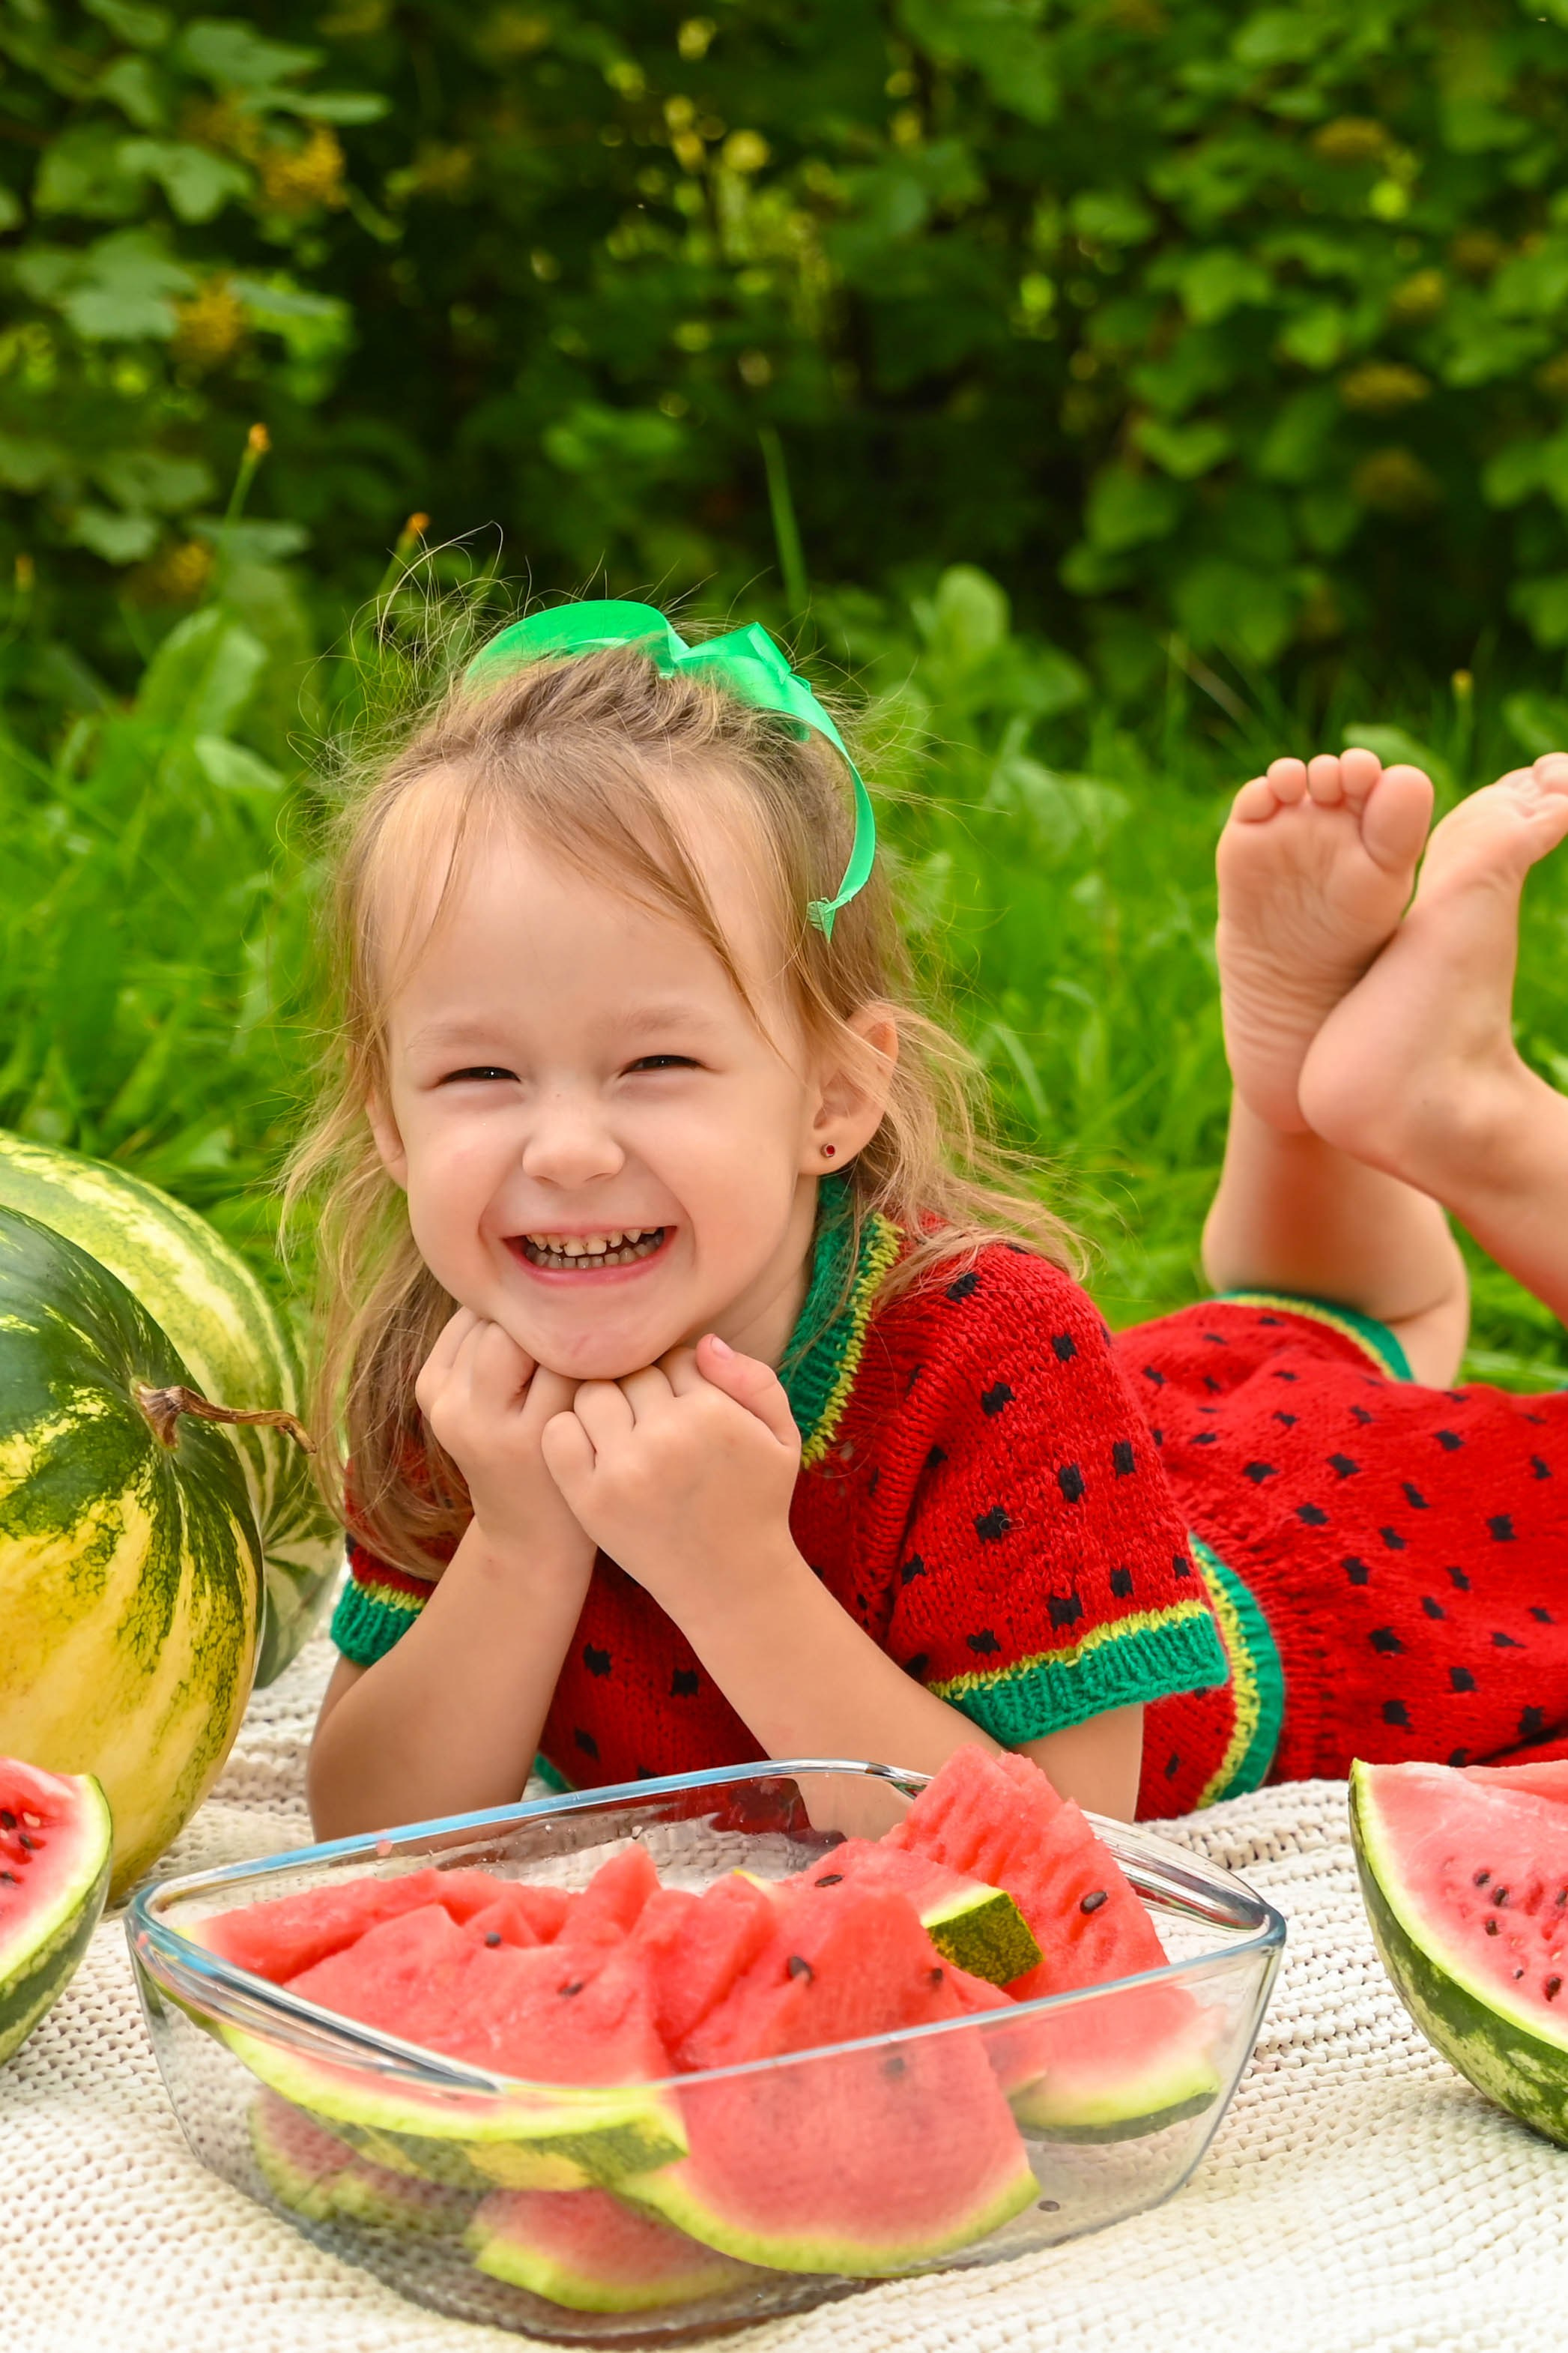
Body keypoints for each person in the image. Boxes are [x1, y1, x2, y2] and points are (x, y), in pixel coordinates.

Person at [302, 602, 1227, 1840]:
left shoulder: (986, 1351)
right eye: (480, 1078)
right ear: (391, 1121)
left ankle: (1350, 1103)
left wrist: (728, 1572)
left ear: (834, 1097)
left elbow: (1056, 1855)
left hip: (1275, 1599)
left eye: (658, 1063)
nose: (567, 1149)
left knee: (1354, 1393)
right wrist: (519, 1542)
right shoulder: (446, 1375)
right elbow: (366, 1831)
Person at [1110, 746, 1568, 1808]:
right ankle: (1422, 1116)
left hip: (1160, 1513)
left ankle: (1362, 1106)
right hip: (1157, 1523)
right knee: (1359, 1322)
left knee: (1357, 1324)